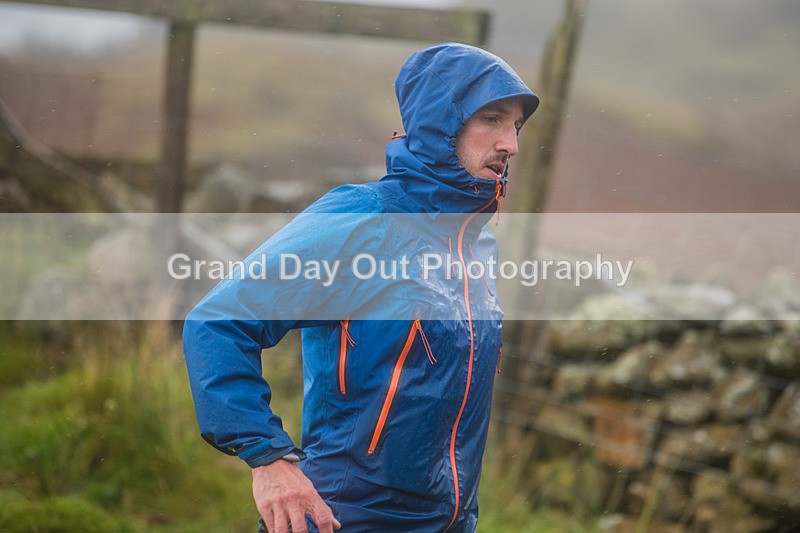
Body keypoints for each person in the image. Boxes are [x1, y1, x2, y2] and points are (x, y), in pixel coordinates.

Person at [183, 42, 539, 533]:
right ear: (441, 122)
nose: (511, 145)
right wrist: (268, 459)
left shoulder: (476, 246)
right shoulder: (364, 221)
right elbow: (219, 323)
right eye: (493, 119)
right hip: (343, 520)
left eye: (515, 127)